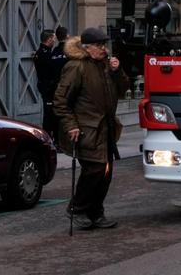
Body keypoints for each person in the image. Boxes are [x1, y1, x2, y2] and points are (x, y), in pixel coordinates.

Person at [54, 27, 129, 230]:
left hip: (106, 128)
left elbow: (123, 90)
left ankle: (96, 212)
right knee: (94, 170)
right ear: (87, 48)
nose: (103, 49)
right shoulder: (76, 67)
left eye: (104, 45)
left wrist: (117, 72)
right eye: (99, 45)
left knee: (106, 172)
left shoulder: (105, 65)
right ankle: (77, 208)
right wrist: (71, 125)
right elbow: (61, 101)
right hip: (87, 129)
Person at [34, 29, 67, 143]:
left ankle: (54, 140)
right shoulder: (44, 54)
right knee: (49, 116)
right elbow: (48, 72)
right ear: (49, 39)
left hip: (49, 87)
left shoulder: (48, 52)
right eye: (53, 38)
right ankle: (49, 140)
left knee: (52, 115)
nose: (54, 40)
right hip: (48, 89)